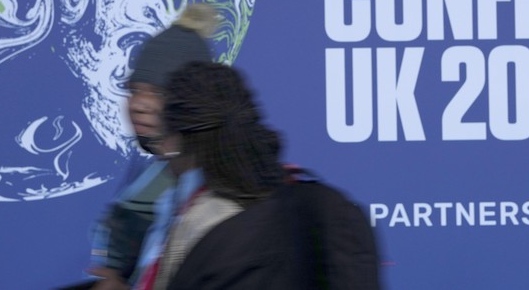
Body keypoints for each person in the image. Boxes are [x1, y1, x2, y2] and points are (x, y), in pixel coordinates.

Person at [135, 61, 381, 290]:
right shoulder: (328, 205)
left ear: (184, 138)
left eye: (165, 138)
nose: (164, 153)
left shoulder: (200, 223)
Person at [84, 4, 219, 290]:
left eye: (157, 92)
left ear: (192, 99)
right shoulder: (152, 173)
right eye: (134, 90)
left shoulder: (218, 188)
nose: (138, 105)